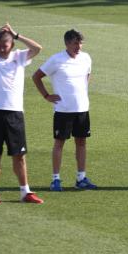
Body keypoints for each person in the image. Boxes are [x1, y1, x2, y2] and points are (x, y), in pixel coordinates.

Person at [0, 23, 44, 206]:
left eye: (5, 45)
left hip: (14, 113)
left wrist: (17, 35)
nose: (1, 49)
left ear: (11, 45)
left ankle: (25, 191)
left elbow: (37, 48)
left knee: (19, 156)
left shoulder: (19, 57)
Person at [32, 29, 97, 191]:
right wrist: (46, 95)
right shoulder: (56, 59)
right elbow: (36, 76)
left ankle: (81, 178)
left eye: (80, 43)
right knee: (59, 143)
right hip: (63, 110)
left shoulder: (86, 58)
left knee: (81, 143)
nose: (79, 46)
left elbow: (87, 76)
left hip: (82, 109)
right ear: (67, 43)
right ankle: (55, 179)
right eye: (75, 43)